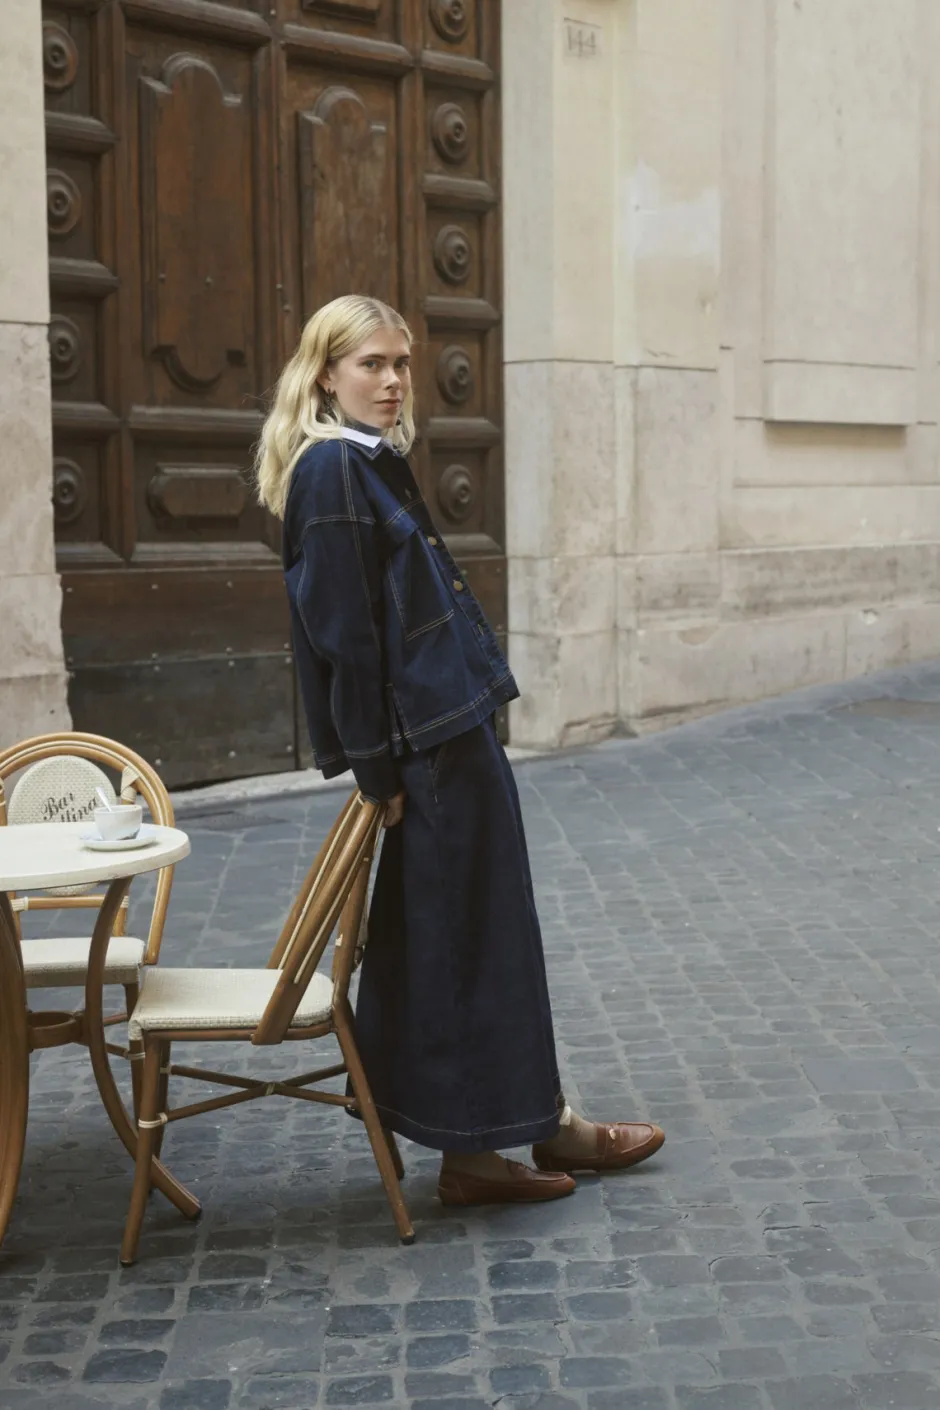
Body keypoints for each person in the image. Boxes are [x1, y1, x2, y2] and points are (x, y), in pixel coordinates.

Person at [255, 294, 665, 1206]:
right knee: (462, 942)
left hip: (450, 729)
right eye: (371, 364)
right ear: (325, 374)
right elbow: (344, 637)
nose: (394, 381)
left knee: (483, 936)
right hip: (425, 746)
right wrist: (377, 769)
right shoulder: (333, 471)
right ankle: (487, 1152)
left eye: (401, 363)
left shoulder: (368, 462)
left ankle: (532, 1121)